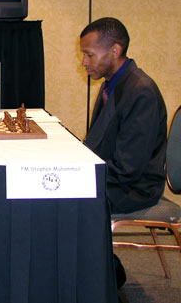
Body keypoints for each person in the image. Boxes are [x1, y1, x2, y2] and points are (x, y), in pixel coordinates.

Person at [79, 17, 167, 289]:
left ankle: (106, 274)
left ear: (114, 51)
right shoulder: (113, 83)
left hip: (136, 186)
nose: (84, 62)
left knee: (70, 200)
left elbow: (129, 168)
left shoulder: (140, 91)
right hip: (115, 175)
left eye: (89, 54)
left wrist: (81, 177)